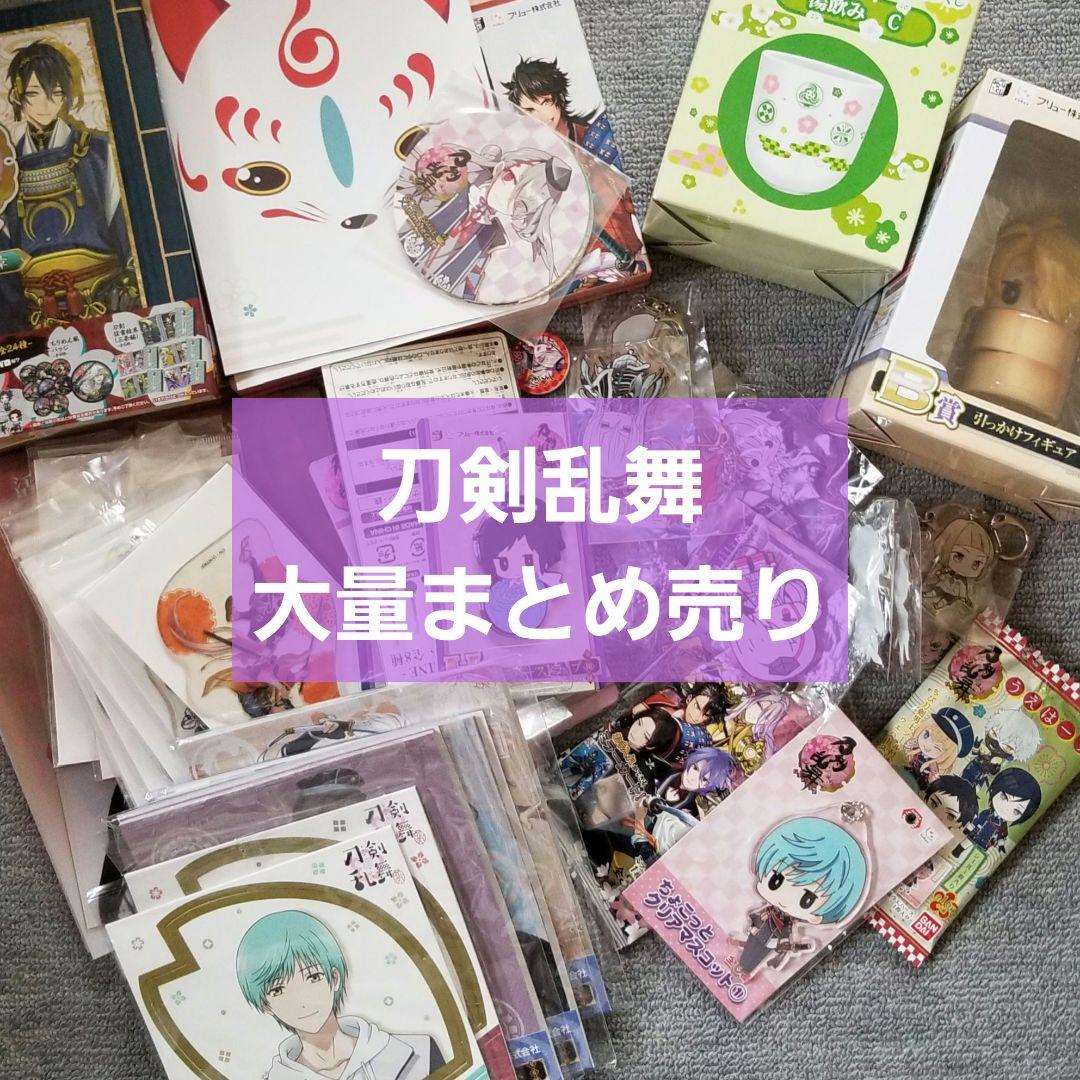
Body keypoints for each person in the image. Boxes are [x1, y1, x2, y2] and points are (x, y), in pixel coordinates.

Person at [2, 40, 138, 329]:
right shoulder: (6, 164)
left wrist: (129, 282)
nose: (45, 105)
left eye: (55, 93)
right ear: (17, 94)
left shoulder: (99, 153)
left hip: (102, 298)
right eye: (34, 94)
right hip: (34, 312)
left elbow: (128, 230)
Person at [236, 910, 444, 1080]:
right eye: (278, 990)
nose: (302, 1001)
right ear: (266, 1005)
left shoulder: (417, 1053)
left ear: (334, 978)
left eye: (313, 977)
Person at [733, 816, 866, 976]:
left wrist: (784, 946)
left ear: (817, 916)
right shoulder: (768, 911)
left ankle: (748, 968)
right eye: (776, 881)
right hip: (758, 933)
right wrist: (751, 923)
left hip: (771, 941)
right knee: (751, 949)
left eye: (807, 900)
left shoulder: (788, 924)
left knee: (756, 956)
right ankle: (743, 963)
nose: (785, 900)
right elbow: (756, 916)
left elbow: (786, 935)